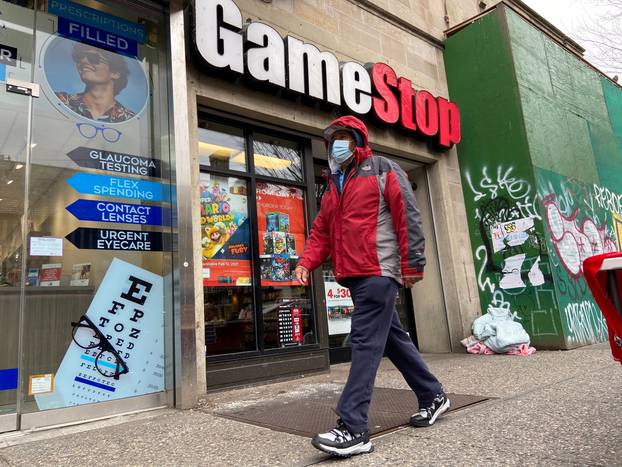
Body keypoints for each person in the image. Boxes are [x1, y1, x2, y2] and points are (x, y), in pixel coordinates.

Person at [295, 116, 449, 458]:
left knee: (364, 341)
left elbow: (408, 215)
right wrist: (307, 261)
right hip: (353, 274)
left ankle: (354, 427)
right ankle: (433, 394)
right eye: (333, 138)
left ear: (358, 141)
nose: (337, 144)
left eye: (344, 138)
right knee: (392, 339)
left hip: (379, 271)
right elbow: (322, 232)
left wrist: (413, 264)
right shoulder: (334, 186)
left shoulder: (383, 169)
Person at [56, 43, 135, 123]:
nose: (83, 61)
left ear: (115, 73)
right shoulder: (59, 100)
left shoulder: (130, 119)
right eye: (79, 57)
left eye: (93, 58)